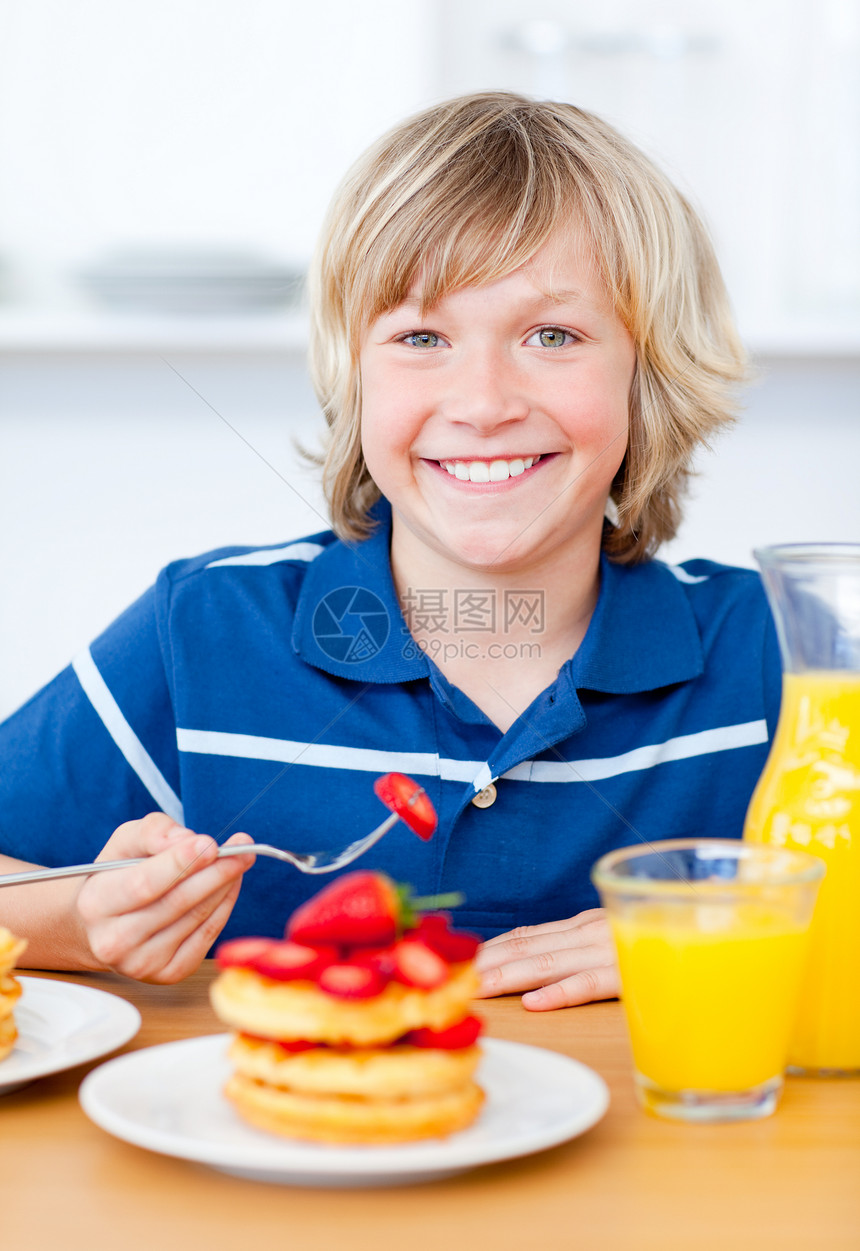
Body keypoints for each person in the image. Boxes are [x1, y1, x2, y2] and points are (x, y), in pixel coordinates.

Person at [0, 91, 780, 1005]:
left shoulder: (771, 651)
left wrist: (725, 934)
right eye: (421, 336)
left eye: (553, 335)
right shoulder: (205, 628)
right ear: (354, 375)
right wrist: (84, 915)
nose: (484, 401)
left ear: (650, 375)